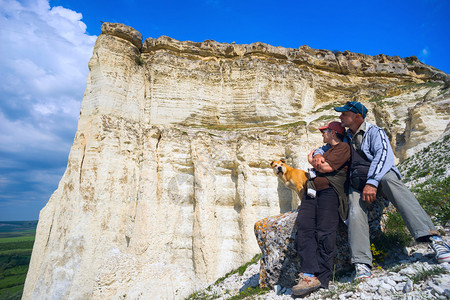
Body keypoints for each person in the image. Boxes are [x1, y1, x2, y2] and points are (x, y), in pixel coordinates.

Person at [312, 101, 450, 279]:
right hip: (357, 180)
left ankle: (433, 238)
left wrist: (372, 182)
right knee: (354, 208)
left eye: (344, 114)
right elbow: (325, 147)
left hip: (380, 175)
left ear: (357, 117)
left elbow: (384, 157)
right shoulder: (346, 136)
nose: (340, 117)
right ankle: (361, 262)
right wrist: (317, 153)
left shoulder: (375, 132)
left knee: (392, 183)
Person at [292, 121, 350, 296]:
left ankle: (322, 277)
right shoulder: (325, 149)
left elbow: (326, 167)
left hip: (330, 193)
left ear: (333, 133)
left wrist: (312, 161)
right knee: (304, 227)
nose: (322, 134)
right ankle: (308, 274)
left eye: (325, 132)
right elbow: (317, 155)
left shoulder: (343, 148)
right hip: (312, 194)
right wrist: (317, 155)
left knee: (325, 231)